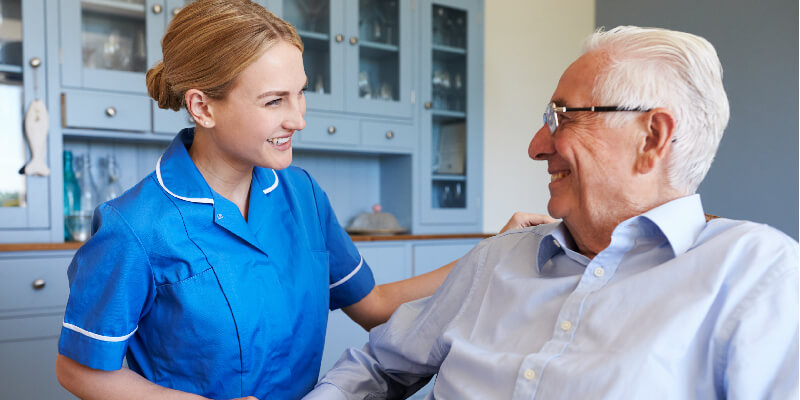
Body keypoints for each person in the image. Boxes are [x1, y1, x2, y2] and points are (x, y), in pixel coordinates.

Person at [54, 1, 554, 399]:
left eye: (301, 94)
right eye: (275, 101)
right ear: (202, 106)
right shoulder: (136, 227)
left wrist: (490, 250)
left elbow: (374, 306)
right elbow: (79, 371)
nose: (299, 118)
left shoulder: (303, 196)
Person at [305, 26, 799, 399]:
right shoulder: (497, 258)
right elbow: (377, 364)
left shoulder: (757, 273)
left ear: (651, 138)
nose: (537, 146)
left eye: (562, 117)